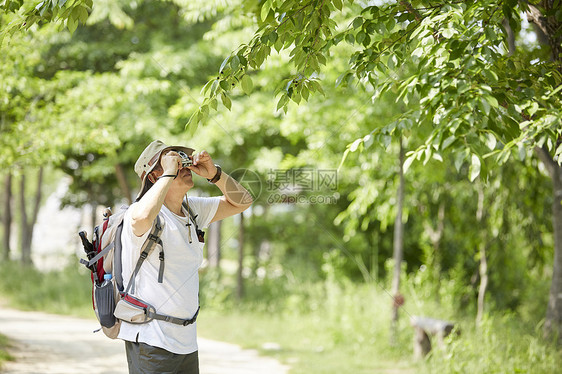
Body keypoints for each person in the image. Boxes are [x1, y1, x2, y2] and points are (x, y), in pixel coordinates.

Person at [119, 140, 253, 373]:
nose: (182, 165)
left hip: (186, 341)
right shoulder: (141, 212)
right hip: (153, 341)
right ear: (153, 176)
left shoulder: (192, 210)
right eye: (171, 161)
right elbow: (140, 219)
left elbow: (244, 202)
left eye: (182, 159)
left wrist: (215, 174)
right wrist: (169, 173)